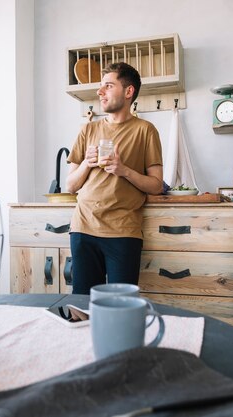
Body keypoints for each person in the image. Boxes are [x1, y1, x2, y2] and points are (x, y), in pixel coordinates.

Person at [65, 62, 163, 295]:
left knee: (121, 304)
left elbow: (157, 185)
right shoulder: (87, 130)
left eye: (108, 86)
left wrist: (124, 170)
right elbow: (70, 186)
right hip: (83, 228)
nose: (100, 92)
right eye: (101, 87)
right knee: (81, 304)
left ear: (128, 92)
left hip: (123, 231)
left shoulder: (145, 130)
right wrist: (87, 164)